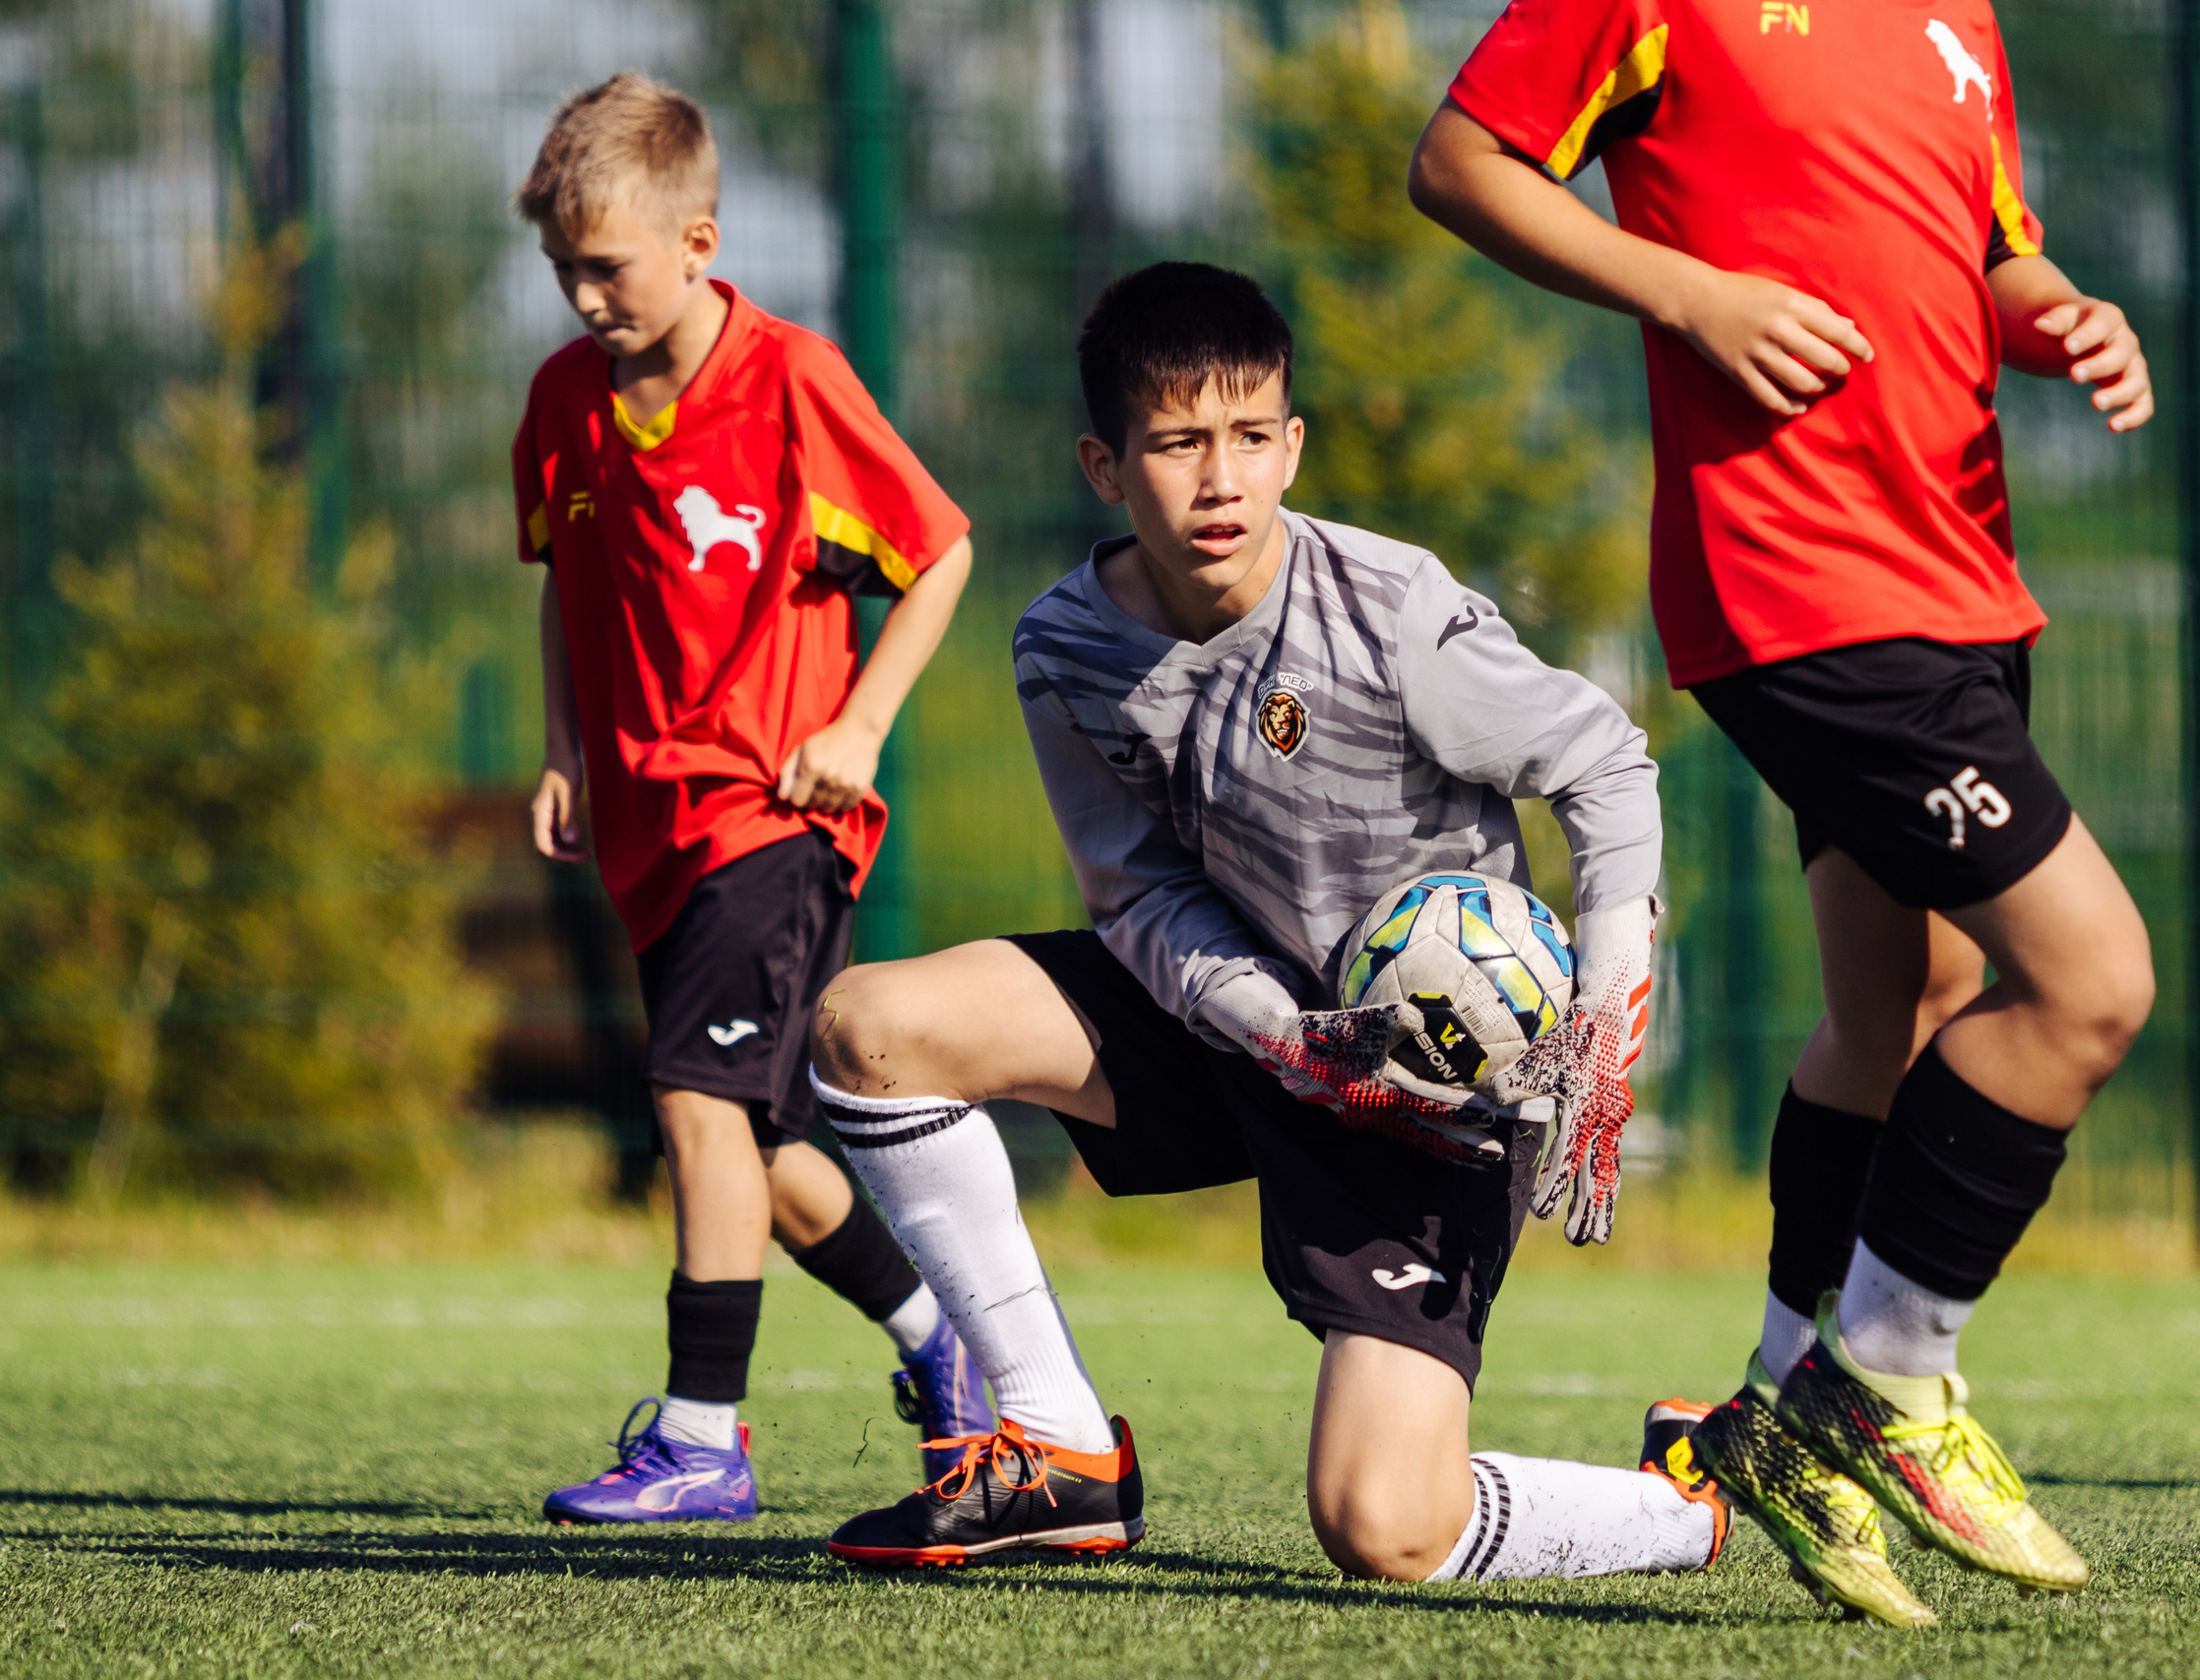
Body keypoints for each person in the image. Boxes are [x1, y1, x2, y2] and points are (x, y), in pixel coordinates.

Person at [1409, 0, 2159, 1626]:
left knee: (1910, 999)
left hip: (1959, 580)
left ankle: (1767, 1406)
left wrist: (2065, 316)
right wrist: (1690, 295)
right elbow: (1460, 160)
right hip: (1808, 589)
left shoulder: (1960, 22)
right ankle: (1877, 1383)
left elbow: (1992, 254)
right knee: (2089, 979)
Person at [807, 261, 1730, 1582]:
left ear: (1293, 448)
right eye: (1179, 443)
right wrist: (1284, 1033)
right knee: (870, 1027)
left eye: (1250, 438)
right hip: (1239, 1019)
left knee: (1385, 1530)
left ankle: (1685, 1500)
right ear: (1106, 465)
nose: (1221, 478)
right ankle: (1058, 1452)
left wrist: (1606, 1015)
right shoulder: (1064, 646)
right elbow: (1134, 892)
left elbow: (1605, 763)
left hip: (1430, 1084)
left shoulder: (1392, 614)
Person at [510, 72, 989, 1524]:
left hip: (773, 816)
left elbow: (943, 550)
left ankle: (702, 1437)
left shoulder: (790, 381)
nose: (584, 295)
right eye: (562, 268)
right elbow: (563, 596)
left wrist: (858, 722)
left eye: (609, 265)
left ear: (699, 241)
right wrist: (564, 749)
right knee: (763, 1154)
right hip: (651, 829)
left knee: (693, 1106)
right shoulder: (563, 407)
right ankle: (946, 1350)